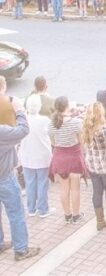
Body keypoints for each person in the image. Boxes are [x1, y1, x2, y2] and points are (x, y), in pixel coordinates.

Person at [0, 95, 40, 261]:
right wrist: (19, 109)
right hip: (4, 178)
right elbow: (24, 130)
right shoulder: (2, 131)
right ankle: (21, 249)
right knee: (16, 213)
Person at [82, 102, 106, 231]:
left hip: (92, 164)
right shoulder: (104, 130)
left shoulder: (86, 127)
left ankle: (100, 221)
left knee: (97, 192)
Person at [48, 96, 86, 223]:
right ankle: (76, 215)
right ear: (67, 106)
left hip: (59, 158)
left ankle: (67, 215)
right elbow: (81, 141)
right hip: (74, 156)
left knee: (64, 188)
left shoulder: (51, 123)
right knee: (75, 189)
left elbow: (53, 142)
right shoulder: (76, 122)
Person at [18, 95, 53, 218]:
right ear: (39, 106)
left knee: (30, 183)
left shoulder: (23, 120)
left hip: (27, 155)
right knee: (43, 182)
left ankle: (31, 208)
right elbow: (51, 134)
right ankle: (43, 209)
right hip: (43, 155)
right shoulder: (45, 120)